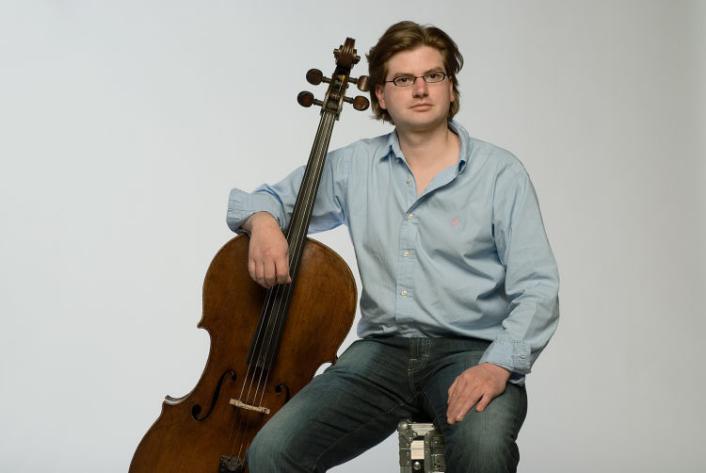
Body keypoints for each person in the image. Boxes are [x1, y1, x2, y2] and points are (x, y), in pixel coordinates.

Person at [226, 20, 559, 473]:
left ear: (451, 88)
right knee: (271, 452)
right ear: (381, 95)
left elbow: (538, 287)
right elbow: (257, 200)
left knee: (483, 452)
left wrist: (497, 366)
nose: (420, 89)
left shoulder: (501, 173)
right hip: (381, 353)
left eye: (433, 75)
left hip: (471, 351)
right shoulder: (355, 166)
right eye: (404, 79)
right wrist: (264, 223)